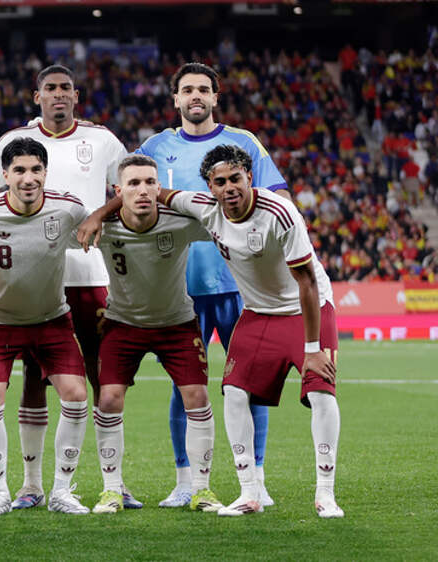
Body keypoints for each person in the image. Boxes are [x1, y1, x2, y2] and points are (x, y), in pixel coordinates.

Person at [85, 144, 343, 518]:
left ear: (249, 177)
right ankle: (249, 493)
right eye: (220, 182)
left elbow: (307, 281)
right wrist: (99, 213)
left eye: (235, 179)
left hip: (307, 307)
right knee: (234, 392)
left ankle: (326, 494)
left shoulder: (280, 212)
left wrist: (314, 348)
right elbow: (151, 192)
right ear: (210, 186)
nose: (229, 188)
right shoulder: (204, 208)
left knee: (320, 393)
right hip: (258, 311)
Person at [0, 64, 132, 510]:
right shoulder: (14, 142)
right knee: (31, 381)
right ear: (37, 96)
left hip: (88, 277)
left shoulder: (102, 140)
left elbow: (127, 190)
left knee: (100, 382)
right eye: (50, 88)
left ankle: (112, 482)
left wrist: (97, 215)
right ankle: (29, 486)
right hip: (29, 291)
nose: (59, 94)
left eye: (66, 87)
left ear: (76, 95)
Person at [135, 62, 289, 507]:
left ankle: (256, 479)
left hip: (242, 285)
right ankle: (185, 481)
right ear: (176, 99)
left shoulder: (244, 143)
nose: (196, 96)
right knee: (183, 386)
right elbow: (131, 195)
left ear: (216, 97)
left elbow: (278, 198)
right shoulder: (155, 147)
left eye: (203, 89)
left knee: (253, 383)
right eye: (187, 90)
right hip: (179, 287)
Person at [0, 138, 90, 516]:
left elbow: (97, 225)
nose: (29, 178)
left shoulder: (68, 207)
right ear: (5, 175)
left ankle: (61, 491)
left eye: (36, 170)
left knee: (76, 395)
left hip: (52, 320)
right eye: (20, 171)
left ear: (46, 172)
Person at [81, 154, 223, 514]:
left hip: (177, 323)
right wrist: (98, 213)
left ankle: (201, 489)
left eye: (149, 182)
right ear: (118, 191)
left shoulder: (181, 222)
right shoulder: (103, 227)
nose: (143, 190)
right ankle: (112, 490)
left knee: (197, 396)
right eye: (133, 183)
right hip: (122, 323)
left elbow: (219, 212)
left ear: (159, 187)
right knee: (108, 399)